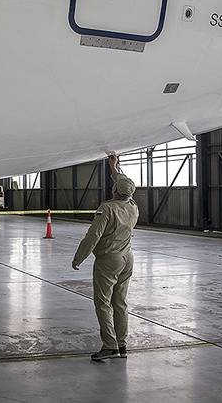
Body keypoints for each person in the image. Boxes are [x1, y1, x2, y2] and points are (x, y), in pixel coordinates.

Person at [72, 153, 139, 361]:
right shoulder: (132, 207)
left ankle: (109, 346)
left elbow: (93, 236)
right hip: (127, 258)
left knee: (103, 302)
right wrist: (114, 167)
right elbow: (124, 185)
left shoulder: (107, 208)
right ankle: (122, 344)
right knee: (120, 303)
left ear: (114, 191)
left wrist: (79, 257)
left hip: (109, 260)